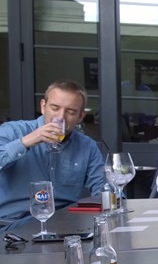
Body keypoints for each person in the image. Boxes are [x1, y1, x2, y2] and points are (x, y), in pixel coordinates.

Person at [0, 80, 105, 231]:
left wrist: (114, 197)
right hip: (14, 225)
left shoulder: (87, 146)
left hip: (65, 225)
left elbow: (103, 189)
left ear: (80, 116)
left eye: (70, 112)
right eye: (55, 108)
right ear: (43, 107)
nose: (61, 117)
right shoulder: (13, 131)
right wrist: (26, 141)